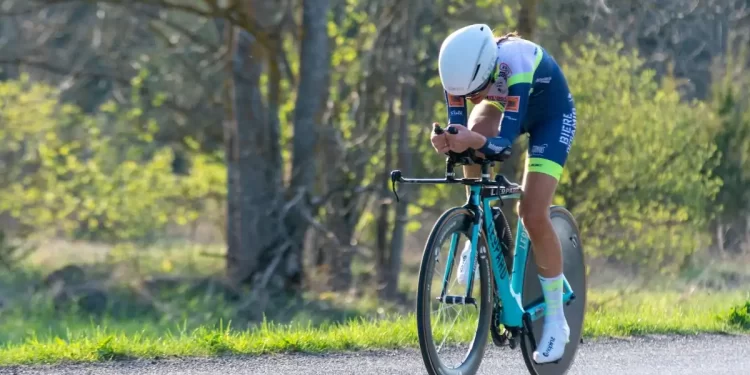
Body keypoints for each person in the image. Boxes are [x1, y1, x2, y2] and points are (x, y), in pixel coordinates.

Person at [431, 24, 577, 364]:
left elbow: (501, 146)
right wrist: (449, 140)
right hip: (504, 101)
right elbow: (460, 131)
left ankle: (556, 319)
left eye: (474, 93)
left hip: (549, 117)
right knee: (465, 144)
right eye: (465, 96)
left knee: (532, 212)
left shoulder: (516, 63)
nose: (469, 100)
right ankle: (476, 232)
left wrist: (473, 140)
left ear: (488, 72)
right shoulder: (459, 73)